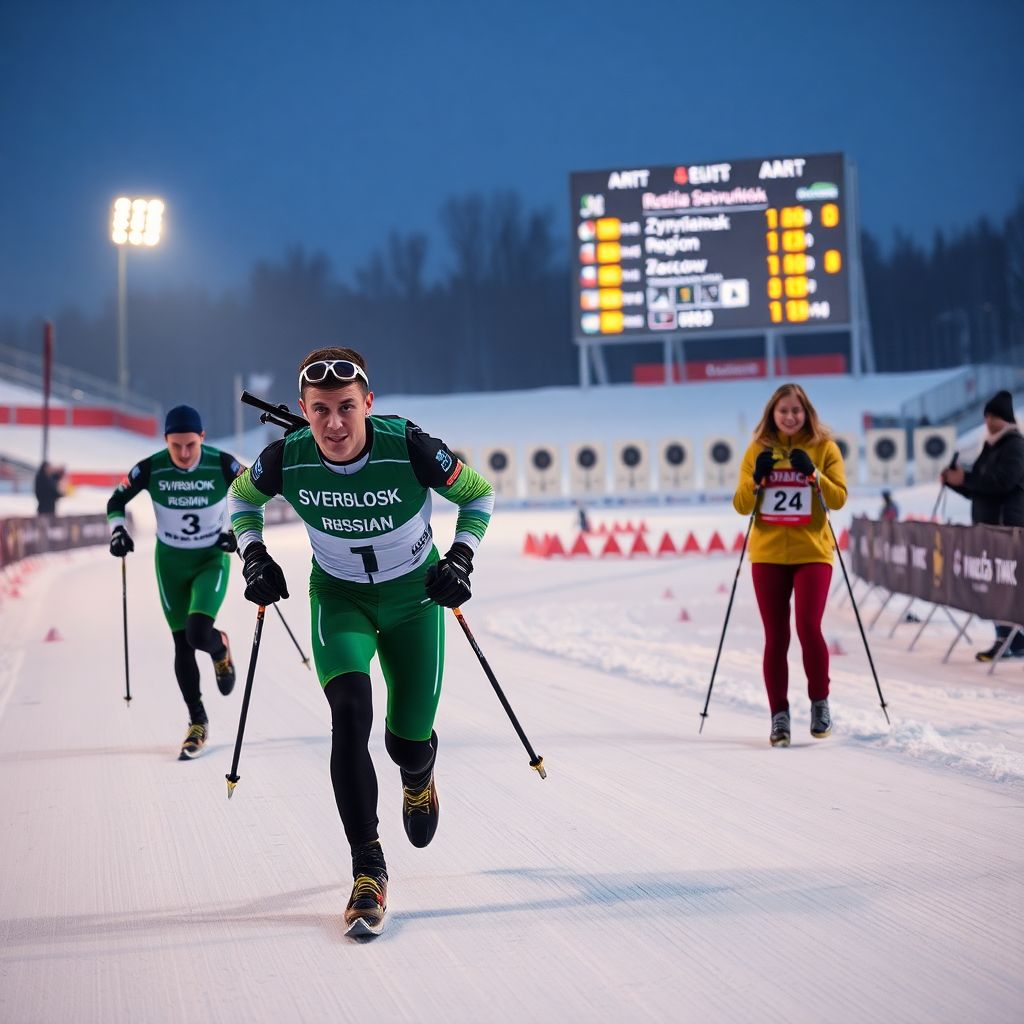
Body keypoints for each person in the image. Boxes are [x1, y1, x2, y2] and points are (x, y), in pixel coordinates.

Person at [227, 347, 494, 935]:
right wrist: (254, 558)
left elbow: (478, 494)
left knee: (405, 741)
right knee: (349, 712)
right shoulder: (285, 457)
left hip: (415, 601)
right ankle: (368, 870)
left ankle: (419, 772)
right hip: (339, 599)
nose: (334, 424)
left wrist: (462, 557)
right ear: (302, 408)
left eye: (347, 407)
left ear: (368, 403)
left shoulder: (410, 446)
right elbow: (242, 500)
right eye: (320, 409)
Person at [106, 405, 245, 758]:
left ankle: (219, 647)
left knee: (199, 632)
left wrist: (236, 532)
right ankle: (197, 722)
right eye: (176, 446)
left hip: (210, 558)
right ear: (165, 440)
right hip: (170, 563)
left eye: (190, 445)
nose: (183, 454)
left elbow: (253, 496)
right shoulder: (152, 467)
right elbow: (116, 500)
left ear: (202, 438)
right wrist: (117, 532)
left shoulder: (222, 463)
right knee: (182, 643)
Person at [732, 383, 848, 747]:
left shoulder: (825, 448)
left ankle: (819, 703)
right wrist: (755, 482)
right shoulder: (757, 450)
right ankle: (778, 716)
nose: (790, 417)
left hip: (813, 551)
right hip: (768, 555)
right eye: (783, 411)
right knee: (776, 636)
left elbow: (839, 499)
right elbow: (739, 505)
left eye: (796, 411)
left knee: (808, 627)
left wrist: (815, 475)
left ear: (807, 413)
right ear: (772, 414)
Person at [941, 389, 1024, 661]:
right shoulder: (989, 446)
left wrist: (964, 480)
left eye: (994, 416)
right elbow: (979, 486)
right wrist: (955, 483)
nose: (989, 421)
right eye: (986, 415)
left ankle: (1011, 639)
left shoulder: (1014, 446)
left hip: (1006, 530)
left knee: (1008, 589)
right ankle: (1008, 638)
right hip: (989, 530)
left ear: (1006, 418)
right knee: (995, 588)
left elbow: (1001, 483)